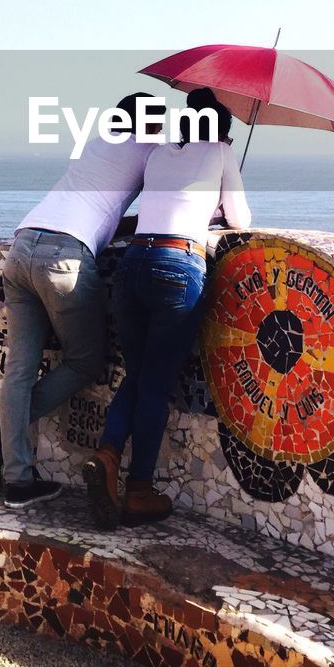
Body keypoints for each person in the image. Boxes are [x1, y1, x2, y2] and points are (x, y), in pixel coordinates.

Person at [0, 93, 163, 510]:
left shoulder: (97, 143)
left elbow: (102, 202)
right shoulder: (152, 150)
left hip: (23, 243)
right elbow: (163, 208)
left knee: (20, 369)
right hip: (66, 257)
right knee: (84, 360)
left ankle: (18, 480)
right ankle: (1, 430)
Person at [83, 87, 251, 529]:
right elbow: (241, 222)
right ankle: (138, 490)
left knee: (136, 377)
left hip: (134, 261)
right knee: (155, 385)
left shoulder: (158, 155)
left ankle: (106, 454)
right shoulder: (220, 151)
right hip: (178, 267)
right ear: (223, 127)